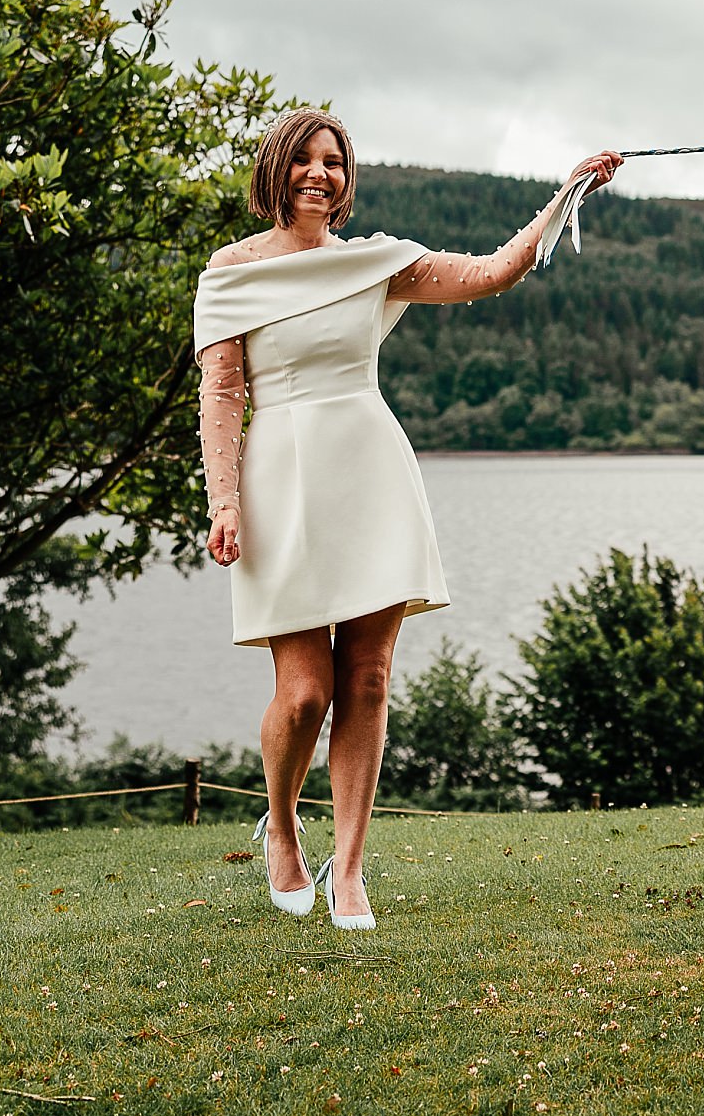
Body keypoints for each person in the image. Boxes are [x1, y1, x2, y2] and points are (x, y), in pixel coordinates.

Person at [194, 107, 621, 929]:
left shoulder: (376, 263)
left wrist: (568, 192)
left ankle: (350, 868)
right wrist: (225, 499)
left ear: (346, 178)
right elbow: (222, 391)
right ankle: (280, 826)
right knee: (304, 694)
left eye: (333, 161)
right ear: (275, 169)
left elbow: (494, 271)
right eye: (304, 159)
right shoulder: (231, 270)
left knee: (368, 678)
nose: (319, 173)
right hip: (279, 478)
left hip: (371, 471)